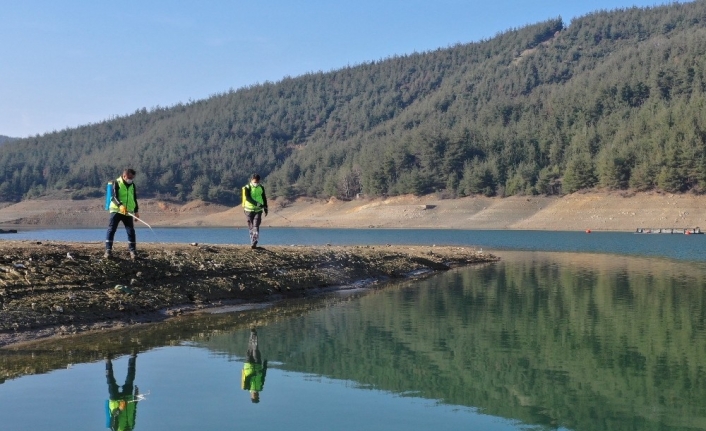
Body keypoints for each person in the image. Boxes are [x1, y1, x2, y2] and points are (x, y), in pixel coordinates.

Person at [105, 169, 139, 259]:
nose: (131, 179)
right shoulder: (116, 183)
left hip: (127, 212)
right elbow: (113, 197)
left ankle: (133, 251)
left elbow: (134, 198)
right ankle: (108, 250)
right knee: (112, 229)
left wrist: (136, 211)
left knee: (131, 231)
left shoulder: (132, 185)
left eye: (132, 178)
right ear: (124, 176)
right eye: (129, 177)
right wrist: (120, 205)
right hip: (116, 210)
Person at [105, 353, 139, 431]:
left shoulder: (114, 428)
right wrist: (136, 397)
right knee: (130, 379)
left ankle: (108, 361)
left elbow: (114, 416)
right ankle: (132, 356)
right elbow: (134, 411)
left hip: (115, 401)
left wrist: (120, 409)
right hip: (128, 400)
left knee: (110, 382)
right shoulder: (132, 426)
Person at [241, 174, 268, 249]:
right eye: (255, 181)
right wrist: (257, 204)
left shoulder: (261, 187)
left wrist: (266, 208)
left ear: (259, 181)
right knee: (251, 226)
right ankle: (252, 240)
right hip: (248, 210)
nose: (256, 182)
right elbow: (247, 198)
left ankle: (254, 242)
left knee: (256, 225)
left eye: (257, 181)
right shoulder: (247, 188)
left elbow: (264, 197)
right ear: (251, 180)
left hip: (258, 210)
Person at [242, 328, 267, 403]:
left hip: (248, 365)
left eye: (255, 397)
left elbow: (247, 377)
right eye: (257, 397)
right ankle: (254, 333)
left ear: (251, 396)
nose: (256, 395)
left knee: (250, 348)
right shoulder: (260, 387)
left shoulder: (246, 387)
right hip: (257, 364)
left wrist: (254, 374)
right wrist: (265, 366)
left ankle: (252, 333)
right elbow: (263, 376)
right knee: (255, 349)